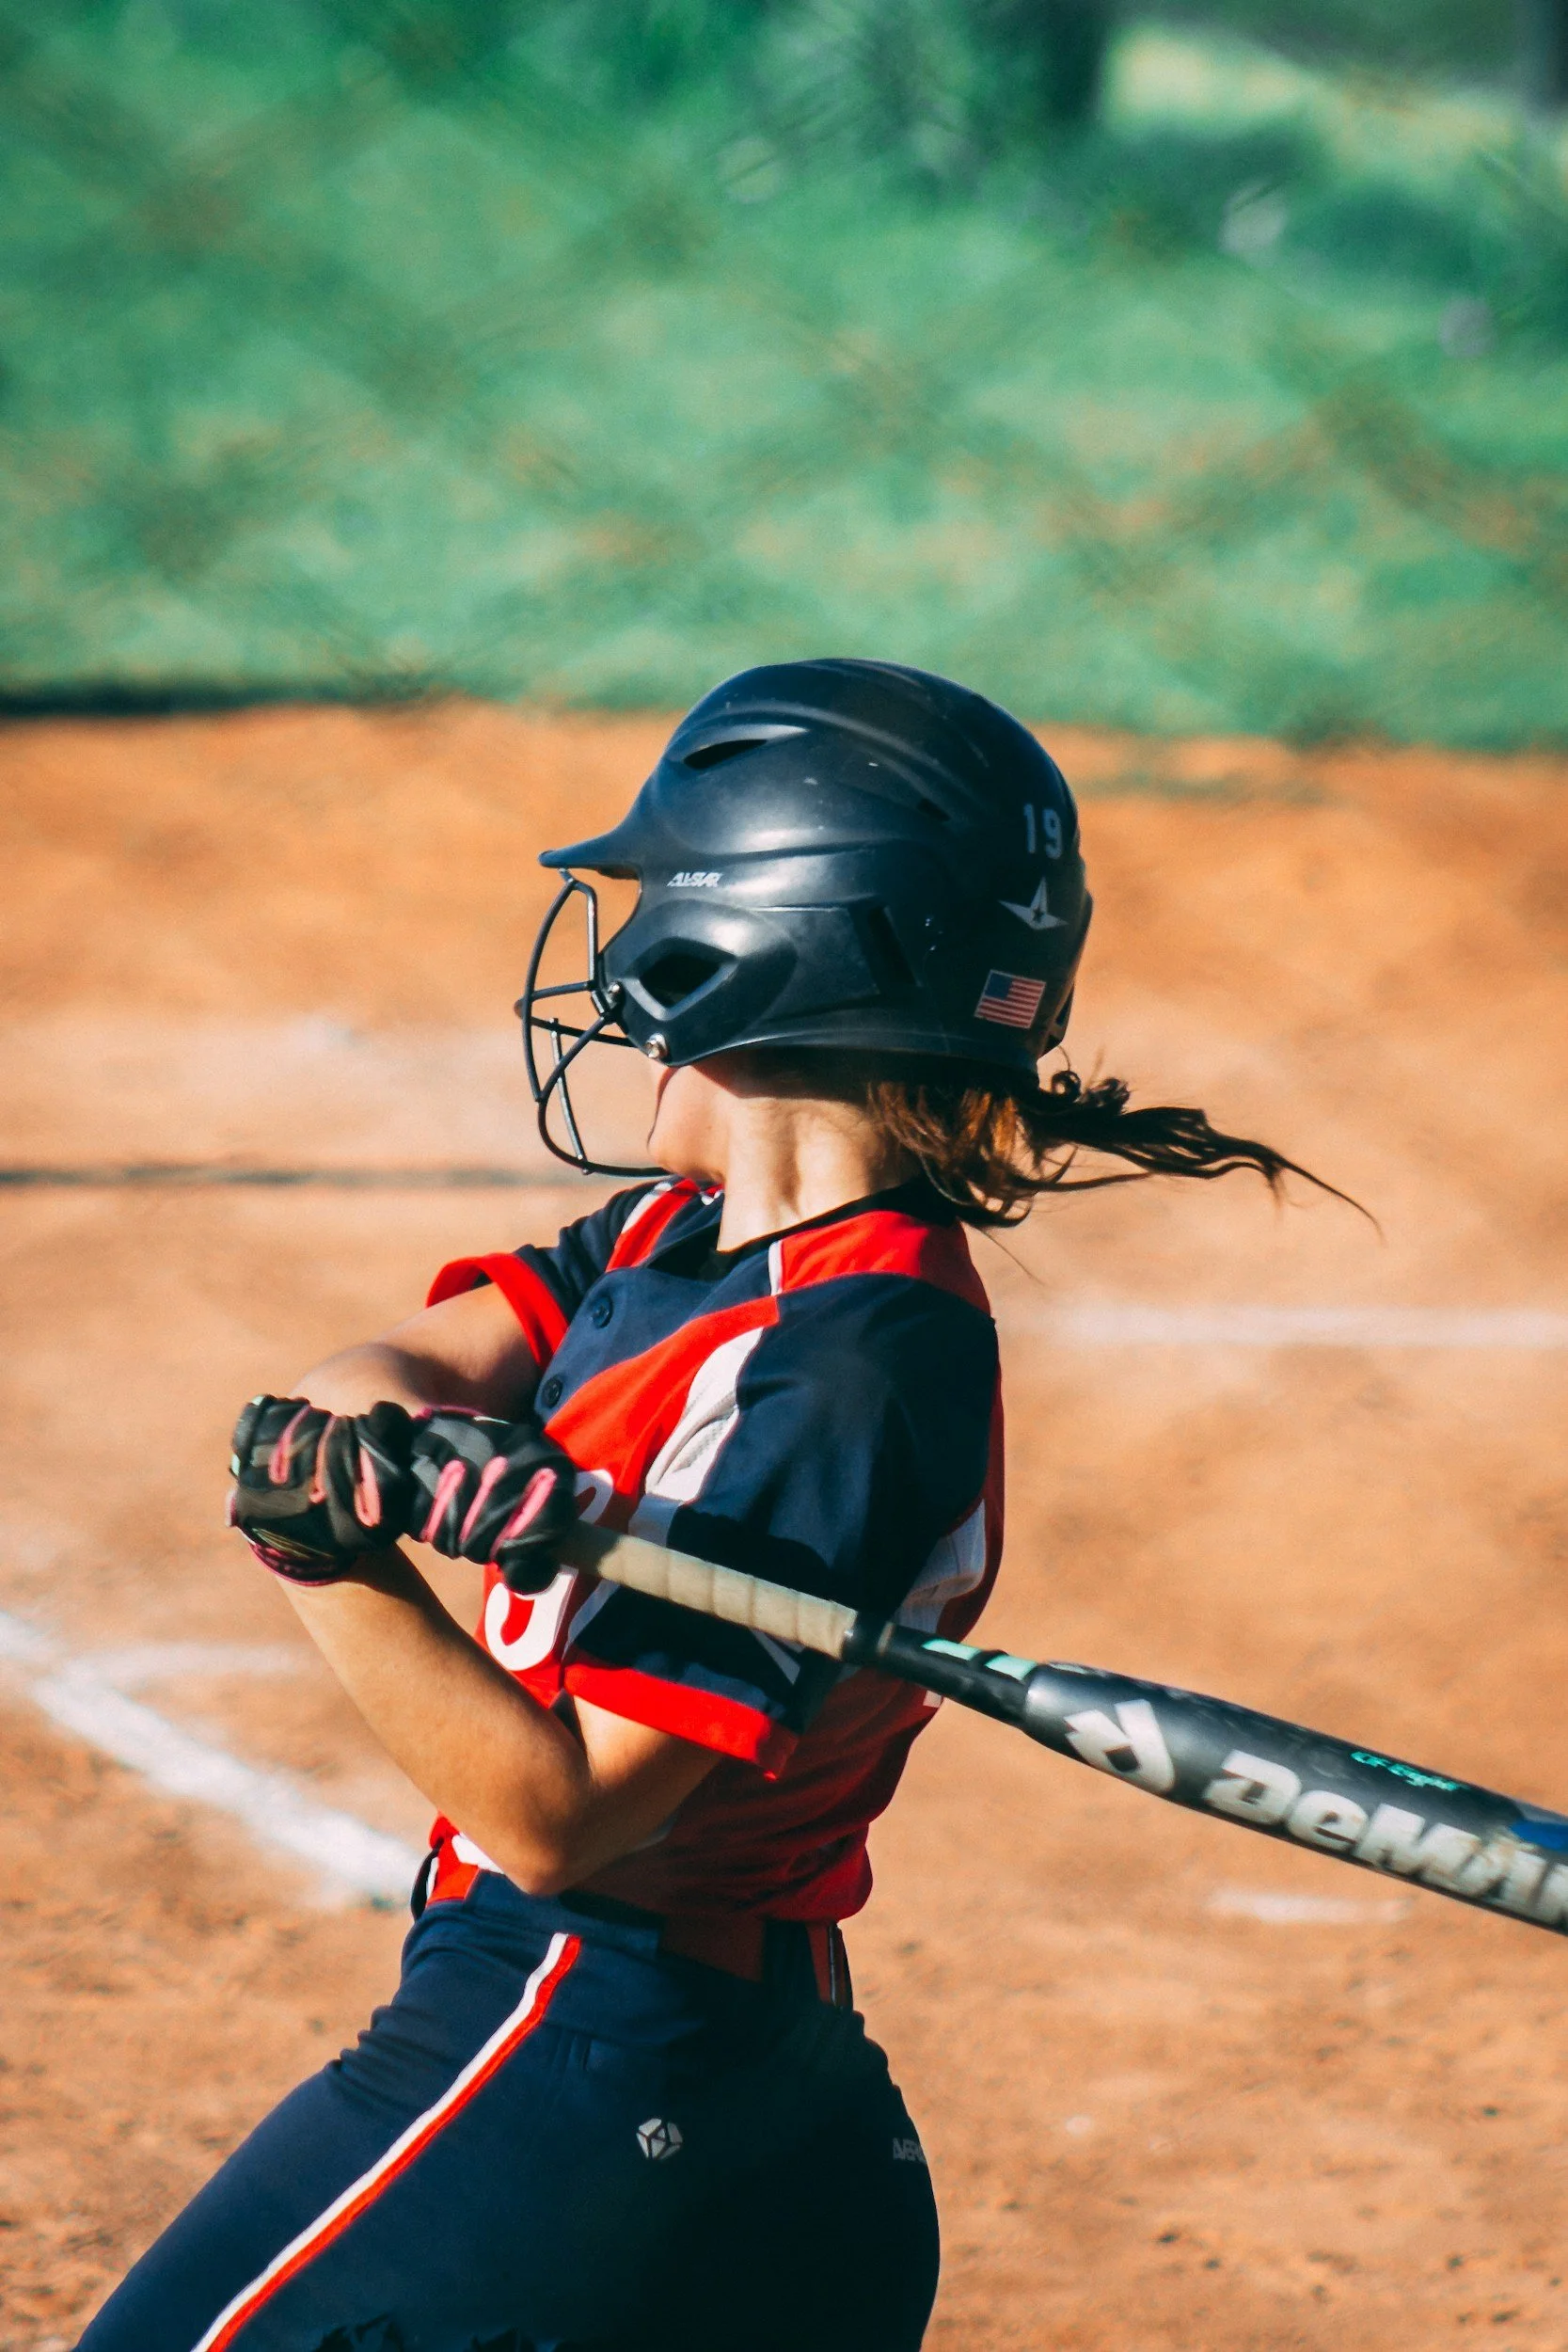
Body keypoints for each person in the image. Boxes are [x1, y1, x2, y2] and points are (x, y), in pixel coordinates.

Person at [80, 660, 1327, 2352]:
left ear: (760, 948)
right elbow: (381, 1363)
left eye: (652, 914)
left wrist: (320, 1555)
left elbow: (558, 1817)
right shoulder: (674, 1245)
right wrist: (415, 1446)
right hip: (754, 2081)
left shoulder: (847, 1368)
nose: (618, 971)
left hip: (582, 2053)